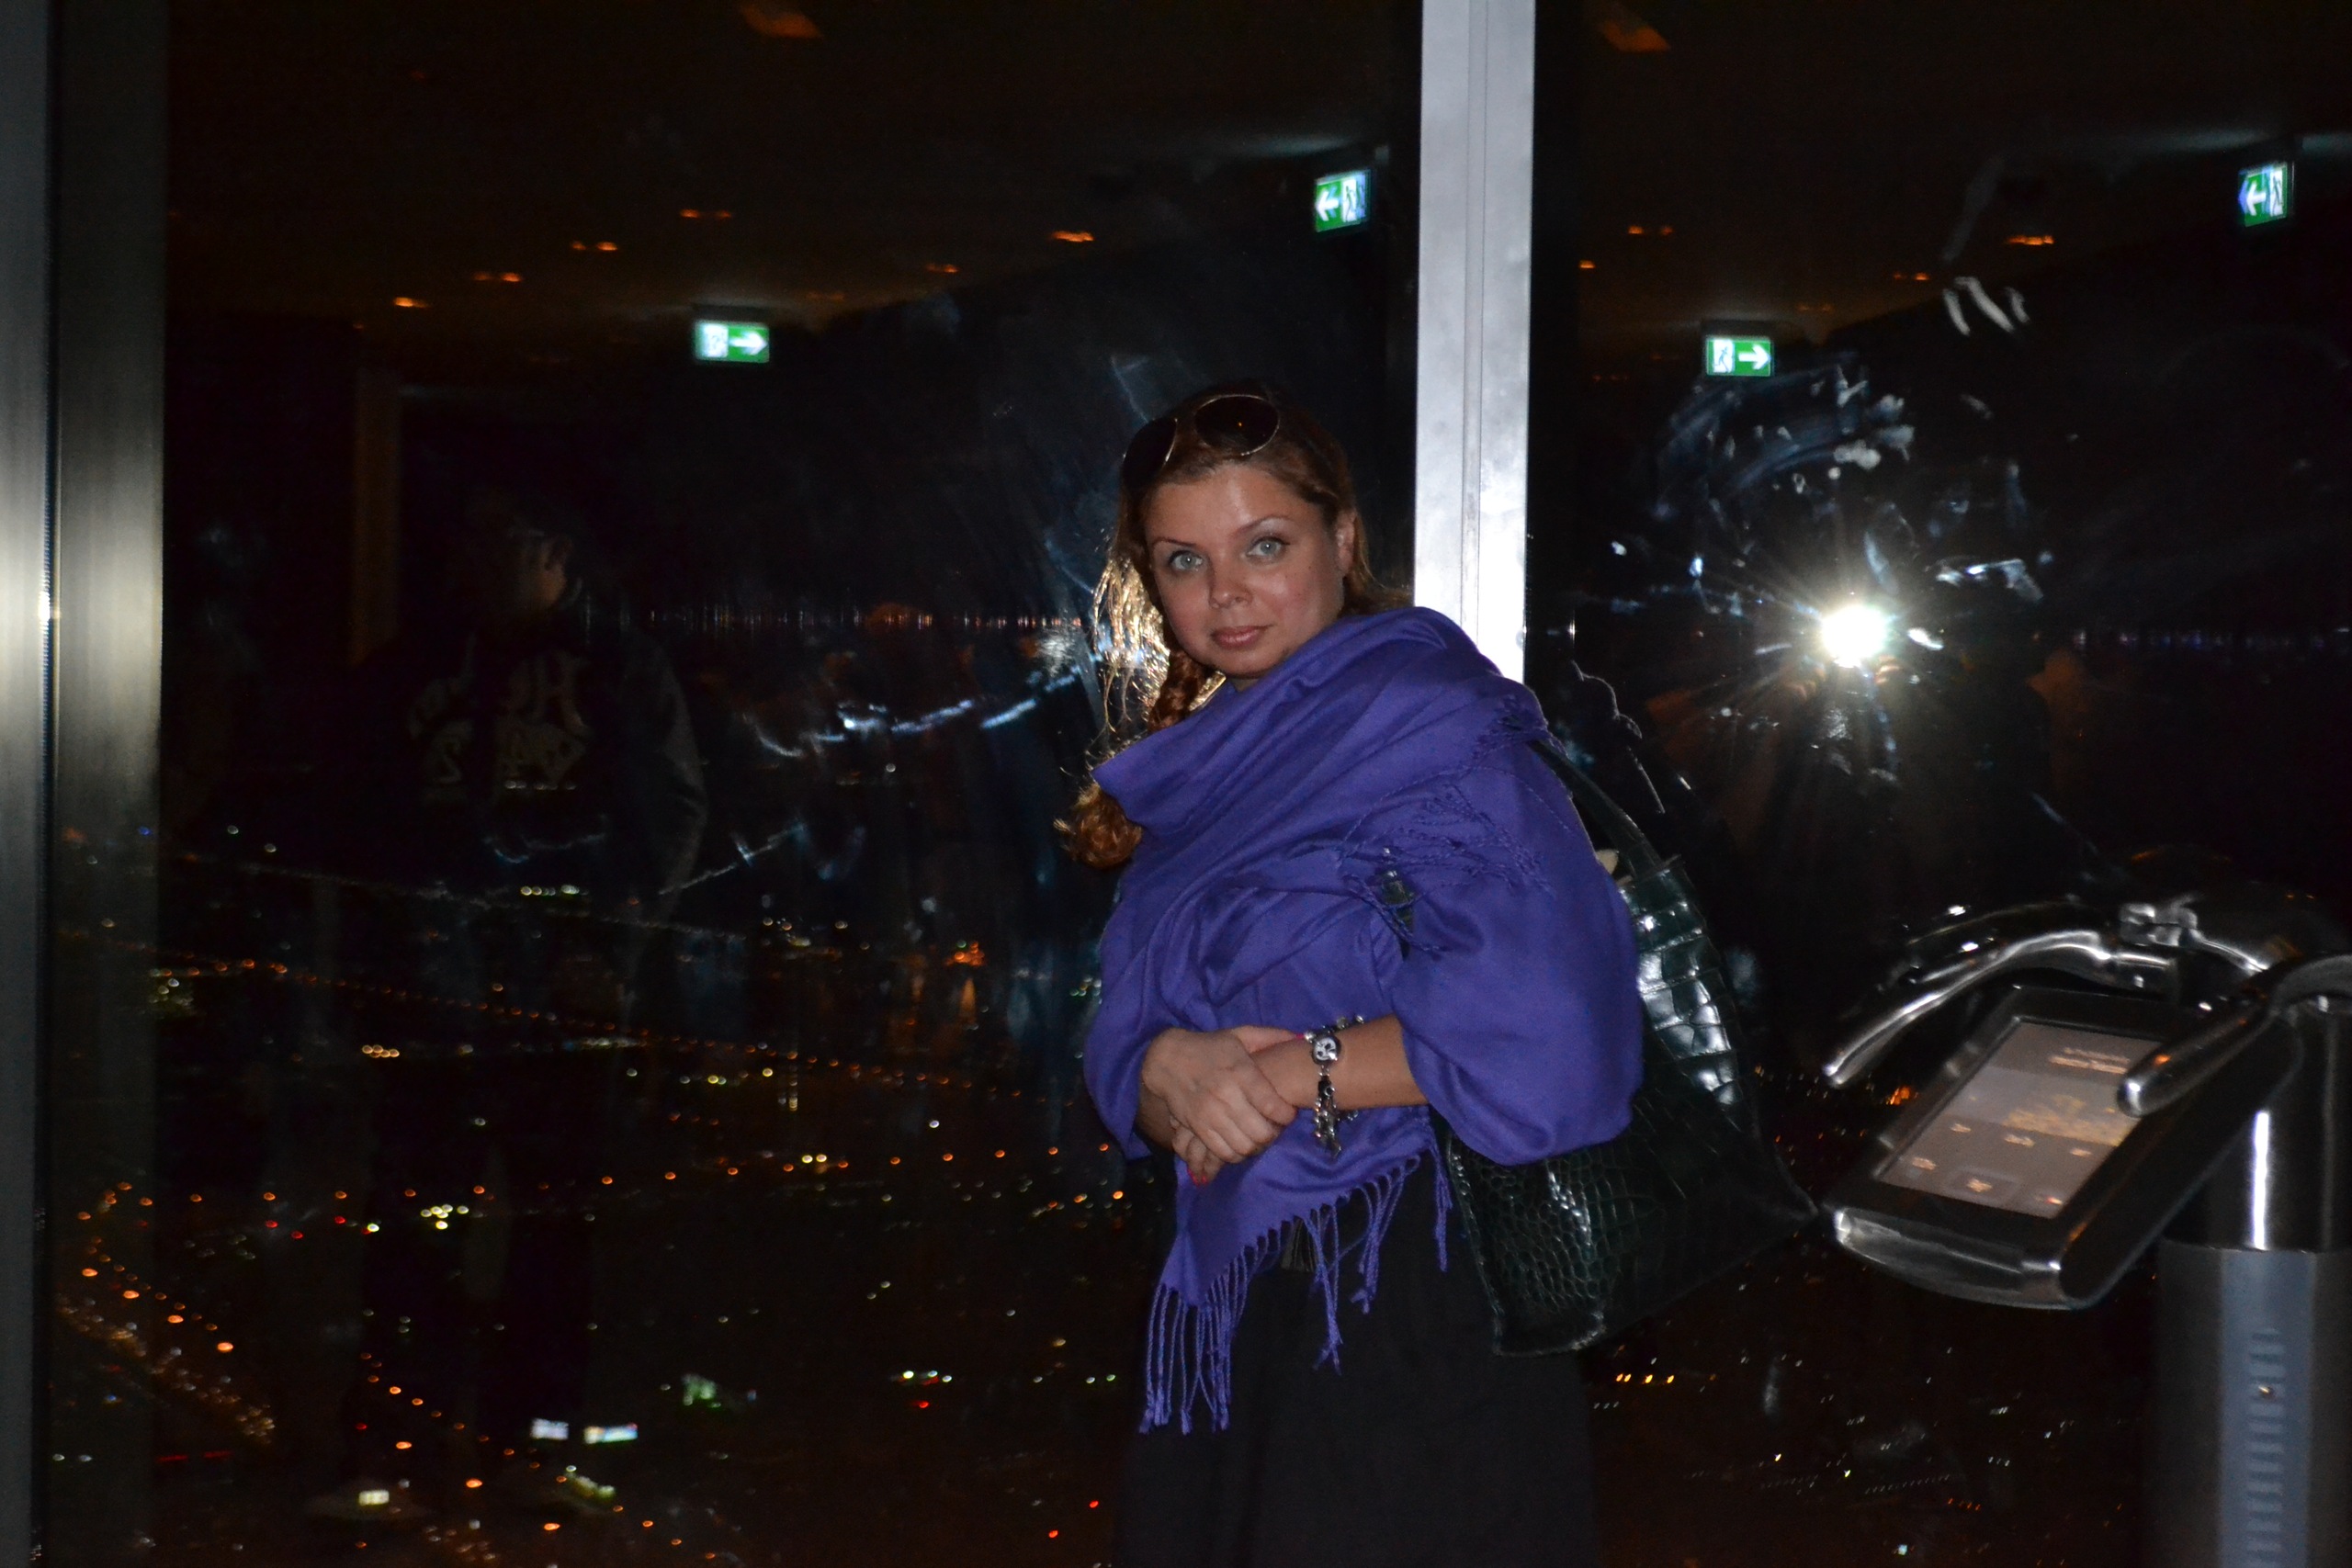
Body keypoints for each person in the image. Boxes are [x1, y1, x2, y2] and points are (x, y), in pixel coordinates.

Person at [1065, 383, 1645, 1567]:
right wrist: (1159, 1069)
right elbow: (1139, 1027)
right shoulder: (1212, 762)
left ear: (1342, 541)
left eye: (1264, 546)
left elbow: (1552, 1031)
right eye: (1184, 562)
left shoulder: (1427, 726)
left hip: (1413, 1294)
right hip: (1243, 1296)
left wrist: (1294, 1075)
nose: (1226, 594)